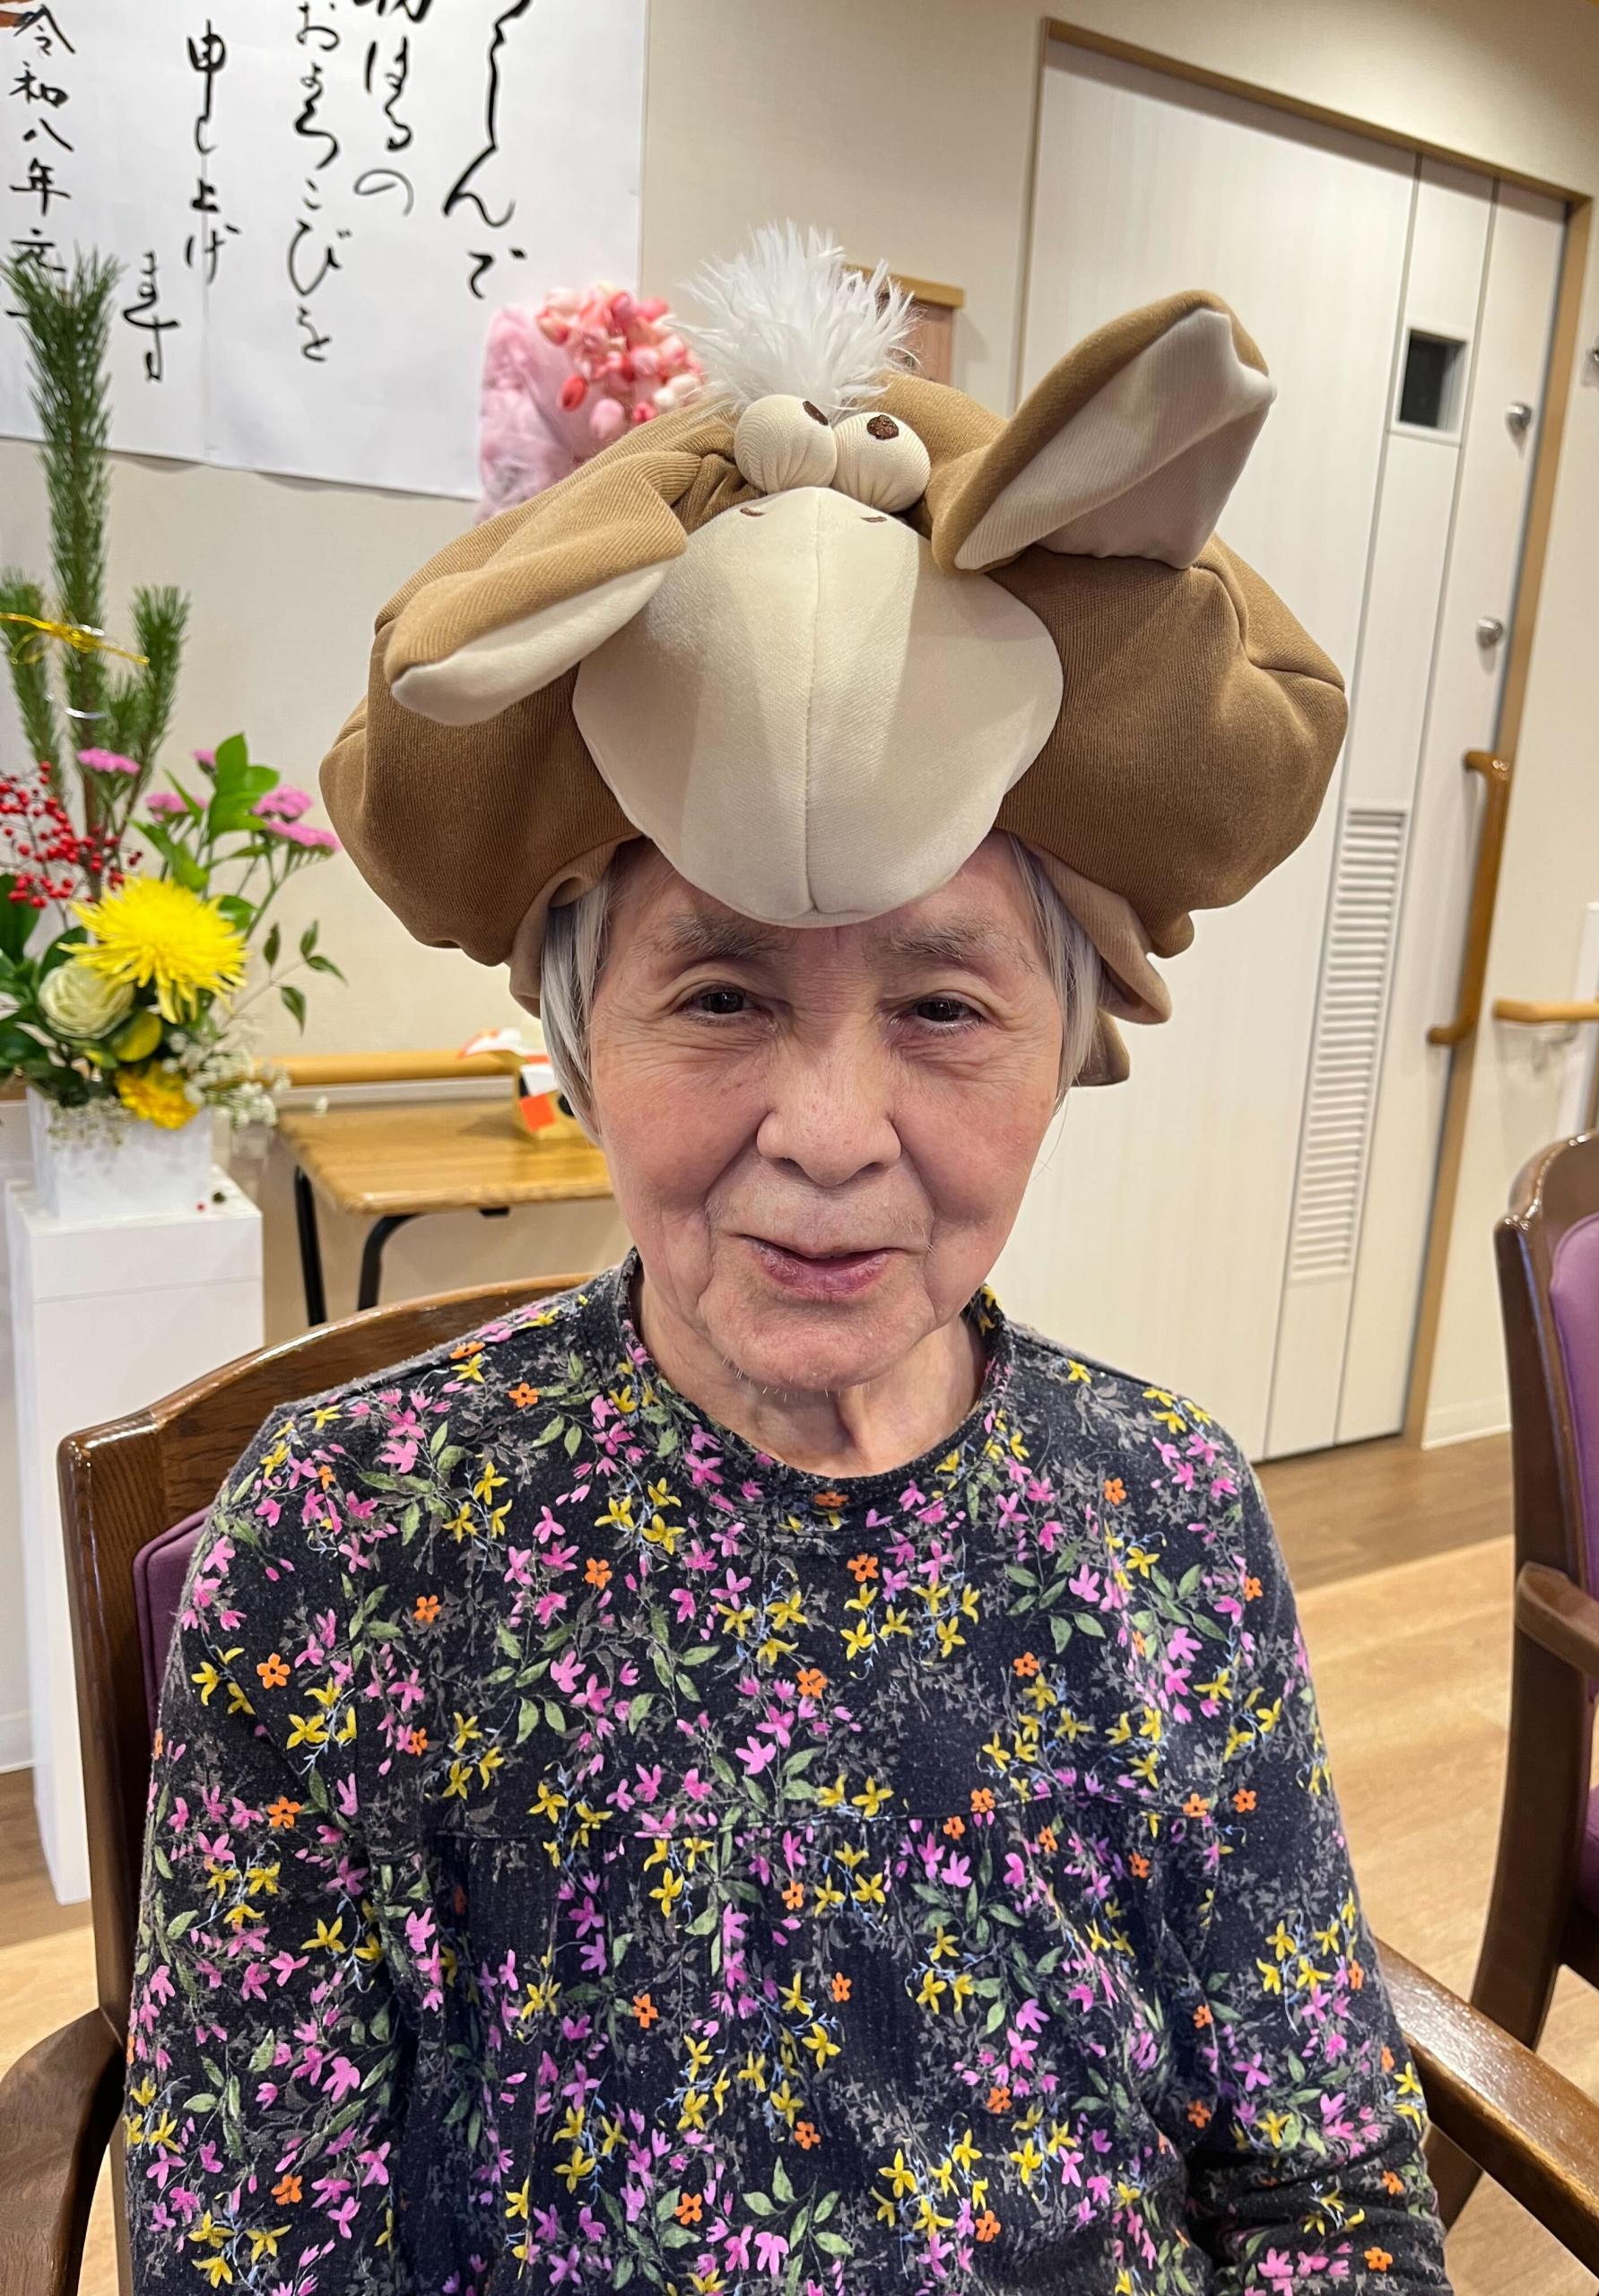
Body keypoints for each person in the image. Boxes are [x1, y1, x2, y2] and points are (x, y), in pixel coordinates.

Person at [126, 230, 1451, 2292]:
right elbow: (252, 2247)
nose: (831, 1130)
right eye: (723, 994)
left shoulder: (1172, 1512)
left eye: (944, 1004)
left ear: (1069, 1043)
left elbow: (1323, 2183)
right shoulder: (346, 1543)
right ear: (581, 1035)